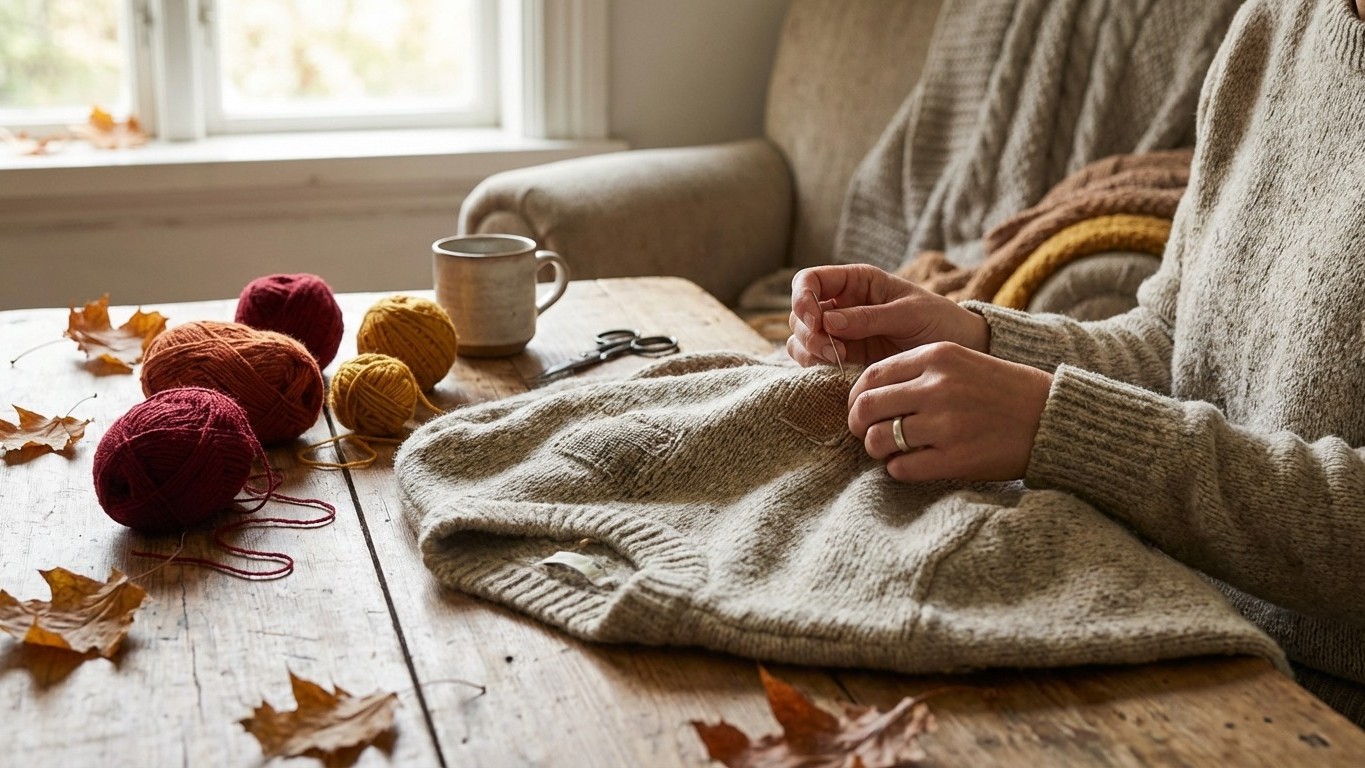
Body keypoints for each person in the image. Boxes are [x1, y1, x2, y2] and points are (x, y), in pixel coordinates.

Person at [788, 0, 1365, 727]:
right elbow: (1172, 341)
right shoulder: (1274, 23)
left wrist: (1056, 427)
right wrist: (973, 340)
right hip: (1174, 628)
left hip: (1318, 709)